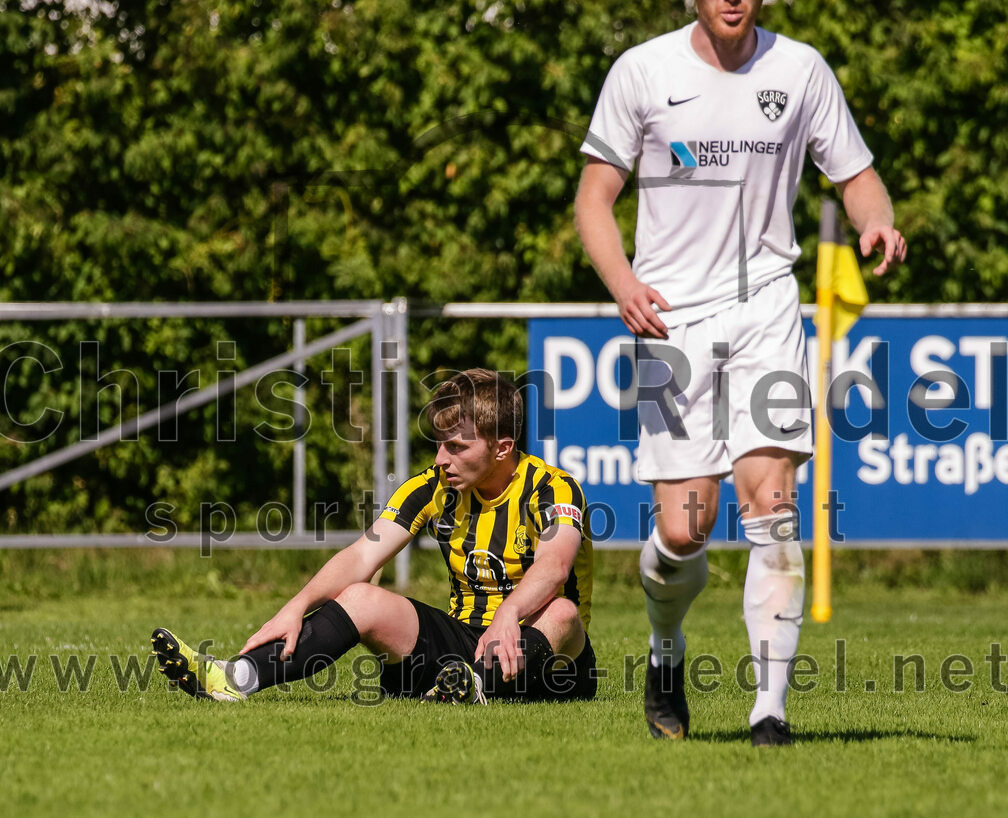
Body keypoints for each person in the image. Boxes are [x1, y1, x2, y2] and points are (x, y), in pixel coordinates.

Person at [574, 0, 906, 745]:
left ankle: (770, 712)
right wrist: (623, 284)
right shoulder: (643, 70)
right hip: (671, 325)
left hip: (766, 313)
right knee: (683, 530)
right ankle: (666, 654)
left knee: (774, 506)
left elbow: (857, 177)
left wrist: (874, 221)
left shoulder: (800, 68)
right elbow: (594, 198)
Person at [152, 368, 596, 705]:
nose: (441, 458)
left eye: (456, 447)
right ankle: (235, 678)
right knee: (361, 595)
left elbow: (554, 567)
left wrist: (510, 613)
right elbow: (362, 554)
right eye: (439, 444)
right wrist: (297, 605)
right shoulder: (431, 488)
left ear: (502, 448)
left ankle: (472, 684)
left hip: (551, 664)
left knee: (561, 612)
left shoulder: (552, 487)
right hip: (461, 643)